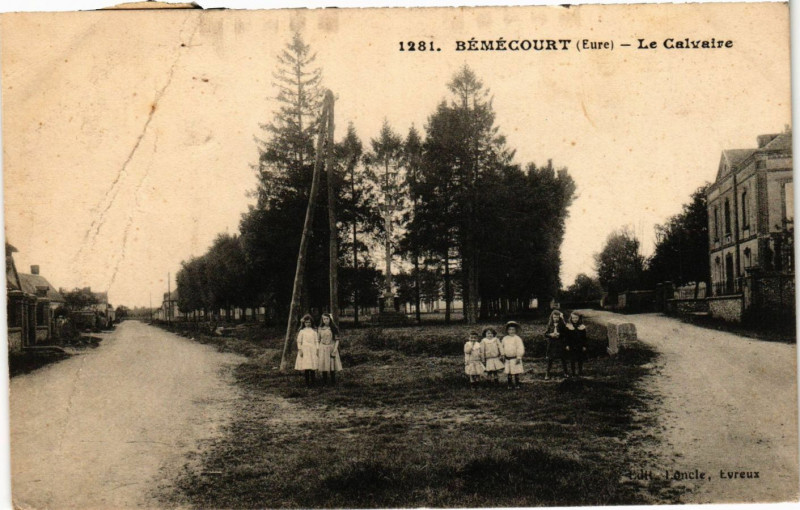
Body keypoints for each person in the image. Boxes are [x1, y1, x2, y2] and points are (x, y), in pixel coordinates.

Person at [317, 313, 343, 385]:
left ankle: (333, 381)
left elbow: (337, 340)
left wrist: (335, 350)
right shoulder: (320, 329)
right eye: (324, 319)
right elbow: (318, 339)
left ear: (330, 319)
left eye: (327, 319)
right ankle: (324, 381)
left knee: (332, 364)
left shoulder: (333, 328)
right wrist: (318, 348)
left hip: (331, 347)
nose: (325, 320)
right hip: (323, 347)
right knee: (324, 364)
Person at [294, 314, 319, 387]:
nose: (308, 324)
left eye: (309, 322)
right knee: (306, 367)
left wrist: (317, 349)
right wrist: (300, 350)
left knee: (312, 367)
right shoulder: (302, 331)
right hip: (305, 350)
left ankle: (313, 383)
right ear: (304, 323)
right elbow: (299, 341)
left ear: (311, 322)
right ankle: (307, 383)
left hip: (312, 349)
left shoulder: (314, 331)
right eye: (306, 322)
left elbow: (316, 341)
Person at [544, 309, 569, 380]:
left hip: (560, 344)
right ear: (552, 317)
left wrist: (559, 335)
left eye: (557, 317)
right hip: (552, 344)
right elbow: (545, 334)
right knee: (550, 359)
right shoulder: (550, 325)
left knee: (563, 358)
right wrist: (551, 335)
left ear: (559, 317)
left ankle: (566, 372)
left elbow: (565, 334)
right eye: (554, 317)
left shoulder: (561, 325)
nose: (556, 319)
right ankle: (547, 373)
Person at [501, 321, 525, 389]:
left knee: (516, 371)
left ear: (516, 330)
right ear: (507, 330)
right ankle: (509, 384)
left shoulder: (517, 339)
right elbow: (502, 347)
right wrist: (502, 355)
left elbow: (520, 348)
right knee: (509, 372)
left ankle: (517, 384)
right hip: (507, 358)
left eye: (513, 329)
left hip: (515, 358)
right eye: (510, 329)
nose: (511, 331)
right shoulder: (505, 338)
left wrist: (519, 357)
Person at [564, 311, 588, 377]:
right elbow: (566, 337)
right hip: (572, 345)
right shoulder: (568, 326)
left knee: (580, 359)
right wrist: (567, 345)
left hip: (579, 345)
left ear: (579, 318)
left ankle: (580, 371)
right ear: (571, 318)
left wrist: (584, 345)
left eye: (576, 318)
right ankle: (573, 372)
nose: (575, 319)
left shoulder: (582, 327)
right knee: (572, 359)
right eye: (573, 318)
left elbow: (584, 337)